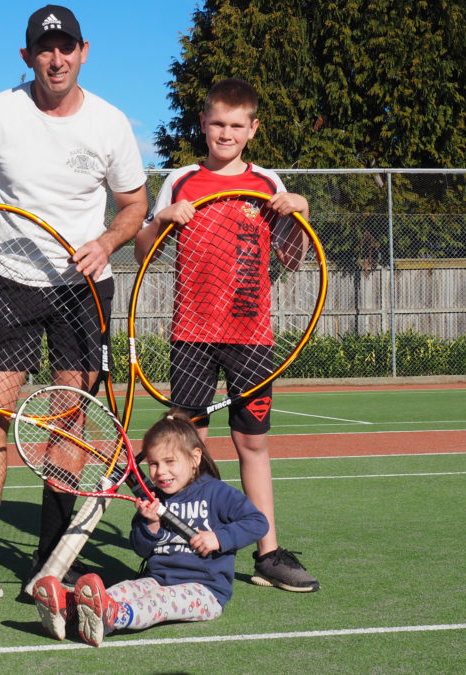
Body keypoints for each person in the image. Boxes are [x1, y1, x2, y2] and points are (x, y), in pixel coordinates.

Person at [0, 4, 148, 608]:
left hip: (83, 288)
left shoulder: (109, 123)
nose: (57, 58)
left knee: (68, 420)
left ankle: (52, 563)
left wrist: (106, 241)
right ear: (28, 57)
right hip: (11, 282)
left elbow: (133, 205)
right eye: (45, 49)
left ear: (84, 51)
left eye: (67, 46)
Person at [132, 78, 319, 593]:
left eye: (237, 125)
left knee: (251, 442)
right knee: (187, 446)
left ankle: (268, 552)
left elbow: (293, 259)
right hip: (192, 333)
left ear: (253, 129)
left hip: (252, 335)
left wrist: (299, 213)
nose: (226, 133)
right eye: (218, 123)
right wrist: (162, 218)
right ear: (204, 123)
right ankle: (178, 543)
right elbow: (141, 250)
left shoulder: (267, 184)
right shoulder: (182, 179)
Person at [33, 411, 269, 645]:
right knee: (125, 589)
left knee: (160, 601)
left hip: (205, 591)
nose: (160, 472)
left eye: (169, 462)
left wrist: (219, 537)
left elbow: (258, 523)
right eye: (154, 464)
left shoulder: (218, 493)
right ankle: (69, 609)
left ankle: (112, 615)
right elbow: (141, 548)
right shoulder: (153, 498)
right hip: (157, 578)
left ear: (194, 458)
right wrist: (151, 523)